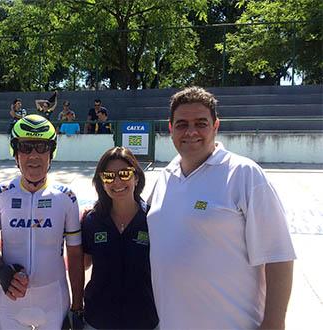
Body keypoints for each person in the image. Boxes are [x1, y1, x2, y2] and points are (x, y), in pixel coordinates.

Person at [147, 86, 296, 329]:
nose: (191, 131)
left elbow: (278, 257)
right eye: (182, 124)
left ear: (216, 126)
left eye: (201, 123)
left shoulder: (244, 174)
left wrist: (274, 324)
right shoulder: (164, 178)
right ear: (171, 129)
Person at [0, 114, 84, 329]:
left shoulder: (66, 198)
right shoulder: (0, 194)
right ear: (15, 152)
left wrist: (77, 307)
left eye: (42, 147)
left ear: (52, 152)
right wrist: (1, 271)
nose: (34, 156)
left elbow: (75, 255)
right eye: (26, 147)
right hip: (11, 301)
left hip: (54, 301)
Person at [81, 147, 158, 329]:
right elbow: (81, 265)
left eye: (124, 174)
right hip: (99, 320)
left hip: (144, 320)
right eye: (108, 176)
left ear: (136, 177)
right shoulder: (92, 221)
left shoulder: (154, 219)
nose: (117, 181)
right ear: (101, 181)